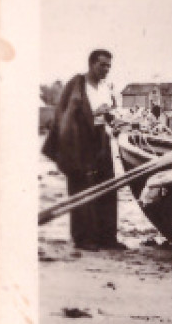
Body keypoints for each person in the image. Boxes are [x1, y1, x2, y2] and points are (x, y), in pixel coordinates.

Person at [42, 48, 123, 250]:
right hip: (80, 142)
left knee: (107, 187)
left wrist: (113, 119)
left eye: (109, 66)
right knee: (81, 186)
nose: (106, 69)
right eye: (102, 65)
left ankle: (107, 237)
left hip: (101, 141)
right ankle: (84, 238)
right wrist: (95, 113)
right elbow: (67, 116)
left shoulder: (106, 88)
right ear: (91, 64)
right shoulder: (77, 84)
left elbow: (106, 115)